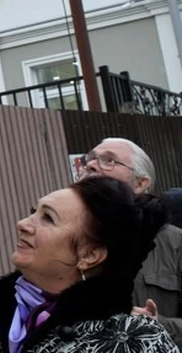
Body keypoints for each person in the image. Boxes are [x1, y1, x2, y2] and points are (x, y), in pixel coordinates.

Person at [0, 176, 177, 352]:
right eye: (33, 211)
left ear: (89, 255)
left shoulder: (133, 341)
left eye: (48, 218)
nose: (23, 224)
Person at [81, 138, 182, 346]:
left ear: (140, 184)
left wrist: (156, 325)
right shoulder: (58, 238)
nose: (91, 164)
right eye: (90, 159)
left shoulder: (176, 244)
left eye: (109, 160)